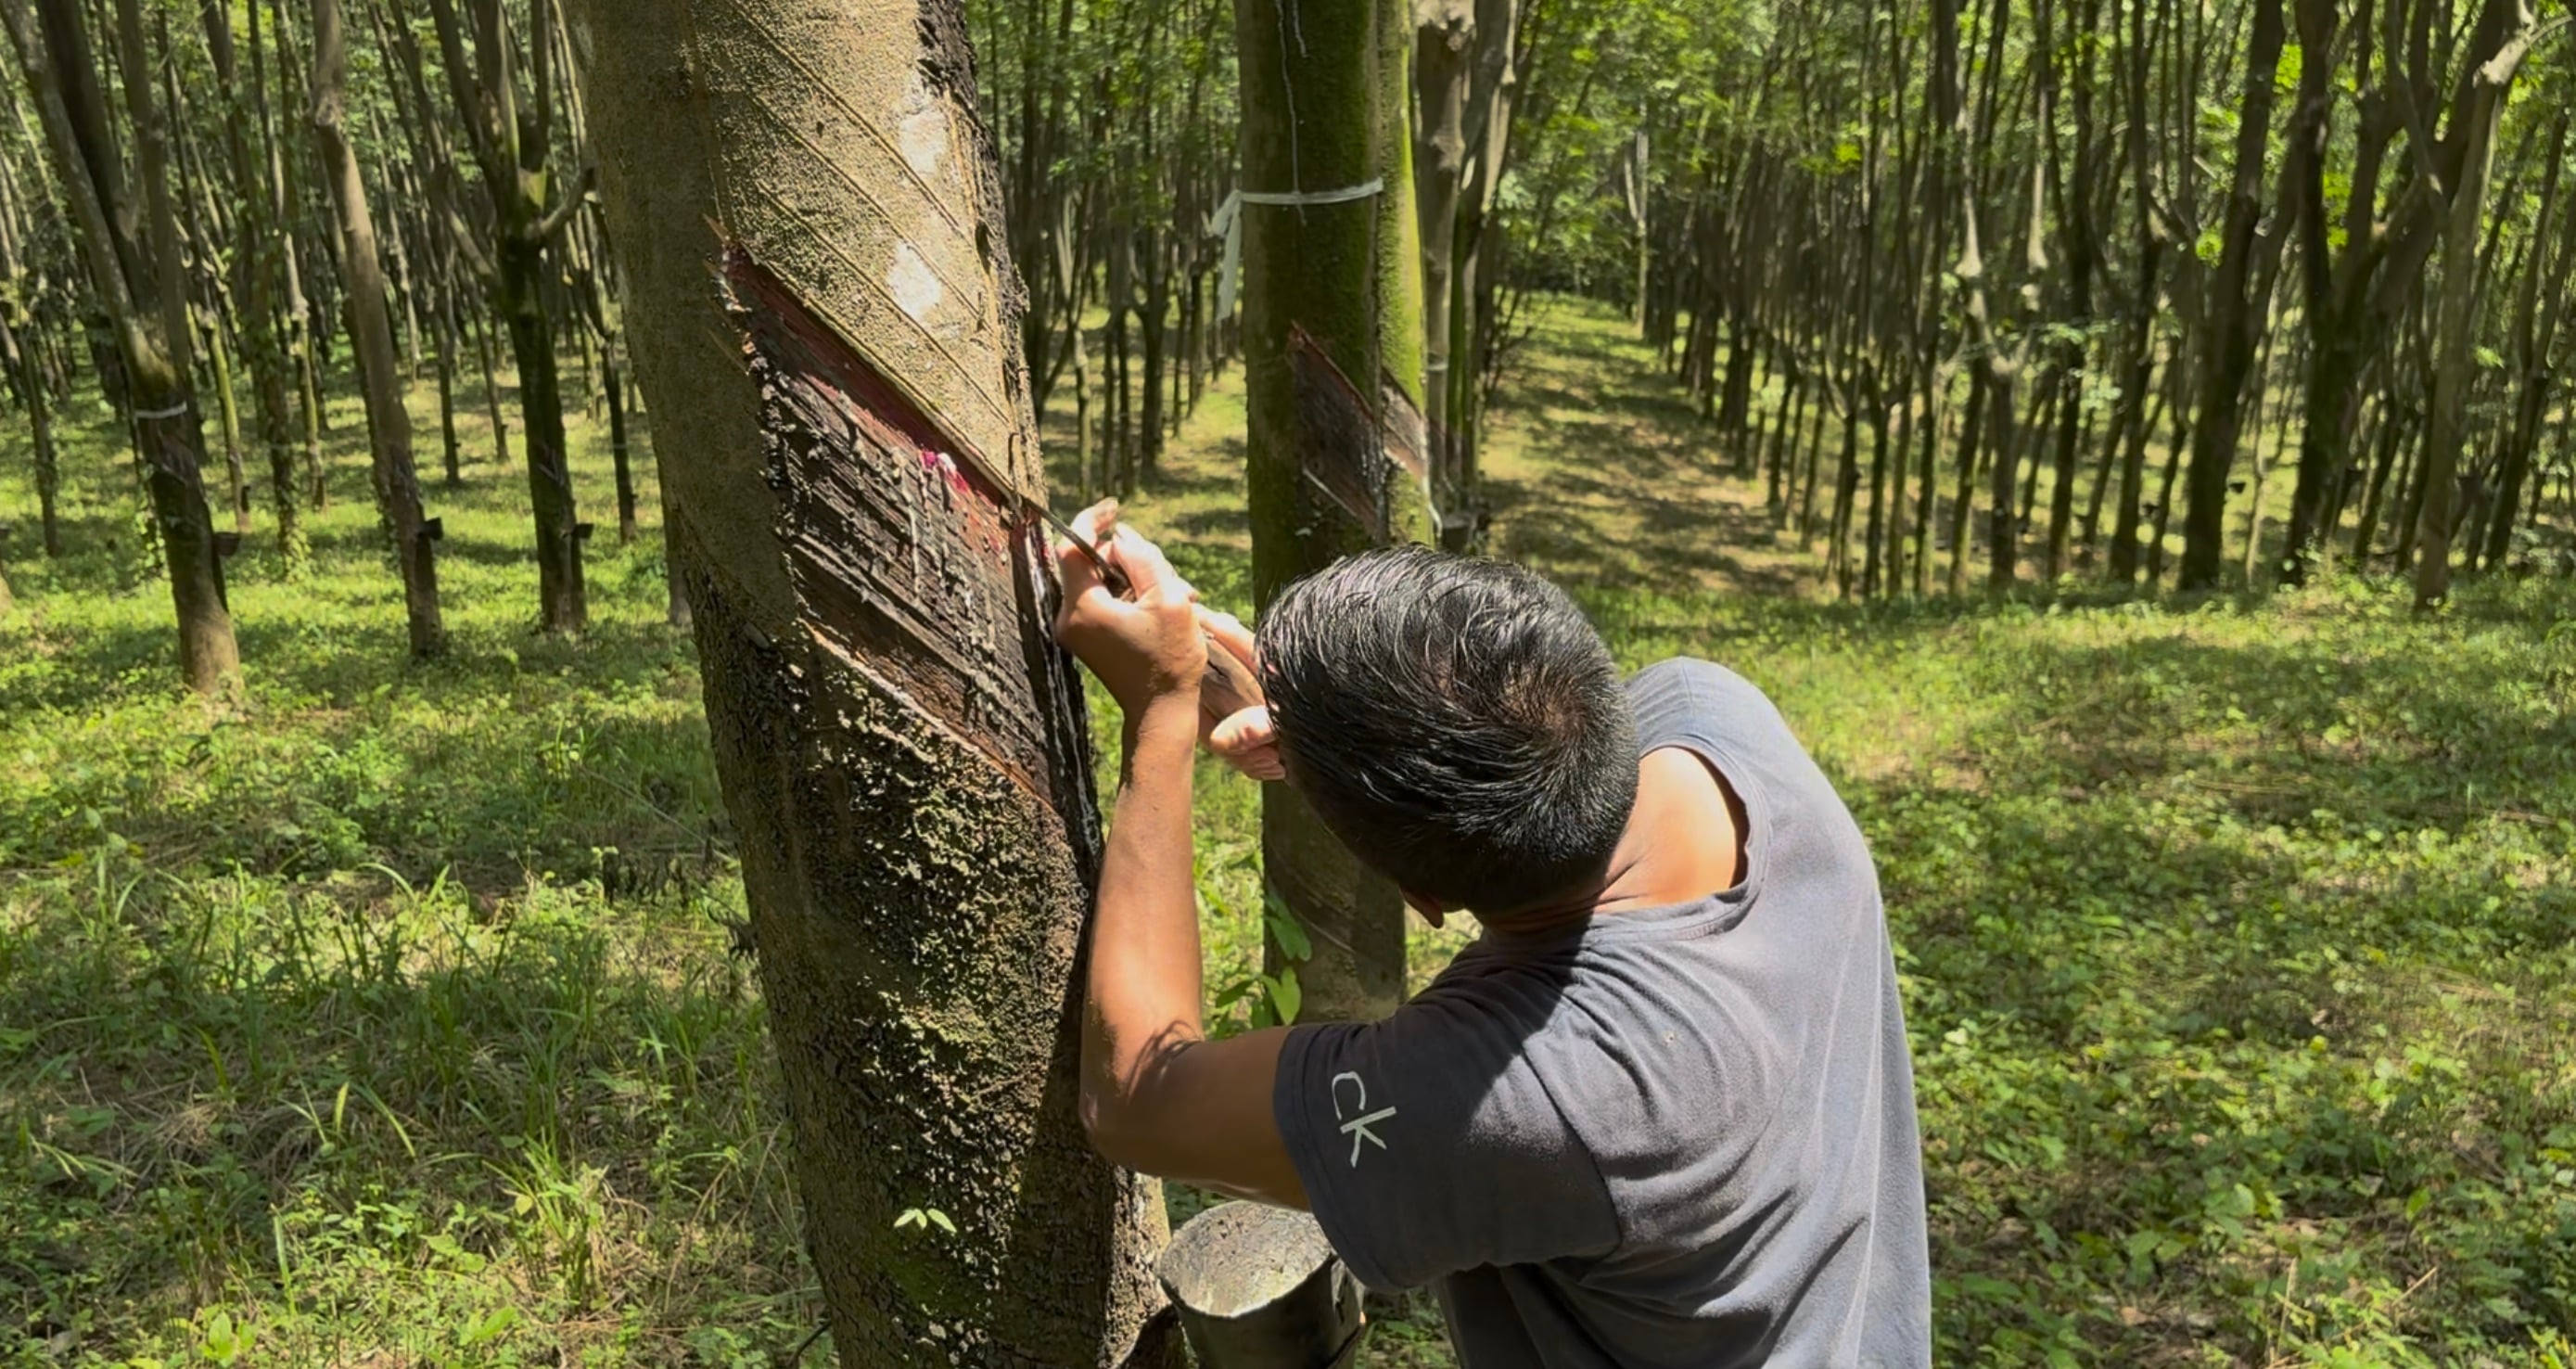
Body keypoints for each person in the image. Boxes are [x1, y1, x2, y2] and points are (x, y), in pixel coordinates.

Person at [1052, 502, 1931, 1369]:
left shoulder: (1532, 1098)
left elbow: (1137, 1102)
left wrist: (1160, 712)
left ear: (1421, 898)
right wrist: (1332, 735)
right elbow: (1518, 762)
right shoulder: (1715, 715)